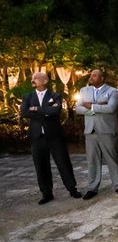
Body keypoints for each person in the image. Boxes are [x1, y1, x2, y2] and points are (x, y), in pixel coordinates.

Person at [20, 72, 81, 204]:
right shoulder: (27, 96)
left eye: (35, 78)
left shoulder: (55, 95)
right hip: (37, 137)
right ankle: (46, 193)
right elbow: (24, 112)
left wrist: (35, 109)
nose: (33, 80)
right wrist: (45, 111)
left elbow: (55, 111)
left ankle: (72, 189)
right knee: (41, 166)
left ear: (45, 80)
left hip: (54, 136)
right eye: (33, 78)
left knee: (63, 163)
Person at [75, 69, 118, 200]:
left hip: (106, 130)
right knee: (92, 160)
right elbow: (78, 108)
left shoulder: (112, 91)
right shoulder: (84, 91)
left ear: (102, 78)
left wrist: (91, 106)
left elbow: (111, 108)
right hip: (90, 131)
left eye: (95, 75)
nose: (92, 77)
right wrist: (95, 109)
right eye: (91, 75)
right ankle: (92, 187)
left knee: (112, 158)